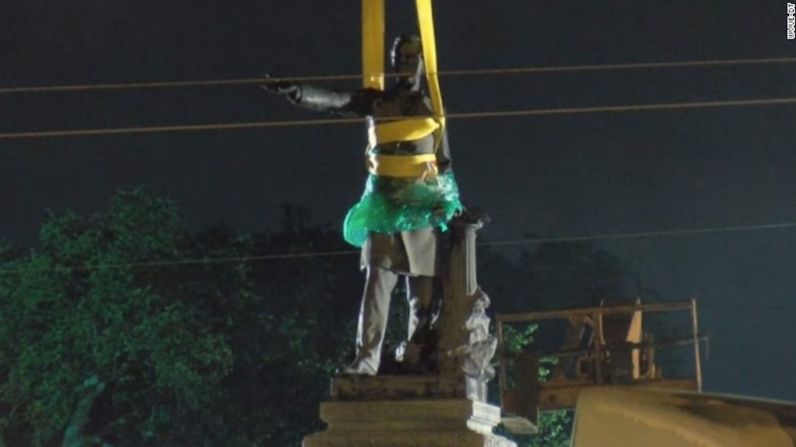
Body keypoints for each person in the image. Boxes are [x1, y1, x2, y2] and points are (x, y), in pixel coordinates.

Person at [264, 34, 462, 375]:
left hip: (421, 209)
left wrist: (450, 203)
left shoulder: (433, 108)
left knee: (423, 296)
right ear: (392, 61)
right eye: (400, 56)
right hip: (383, 207)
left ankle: (416, 355)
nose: (406, 63)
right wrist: (300, 92)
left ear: (423, 62)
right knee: (377, 285)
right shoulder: (377, 102)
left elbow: (443, 162)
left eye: (413, 56)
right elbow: (338, 101)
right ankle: (367, 359)